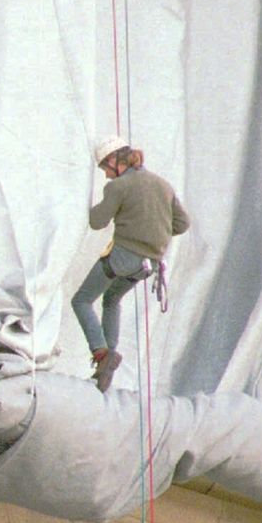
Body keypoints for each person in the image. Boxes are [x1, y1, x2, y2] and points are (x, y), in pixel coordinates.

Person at [71, 135, 190, 392]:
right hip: (149, 265)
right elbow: (182, 224)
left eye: (105, 168)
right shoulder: (163, 185)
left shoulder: (118, 187)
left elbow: (97, 221)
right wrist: (152, 229)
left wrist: (84, 204)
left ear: (115, 160)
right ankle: (107, 363)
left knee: (81, 300)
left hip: (123, 258)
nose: (105, 175)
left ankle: (102, 354)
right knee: (111, 300)